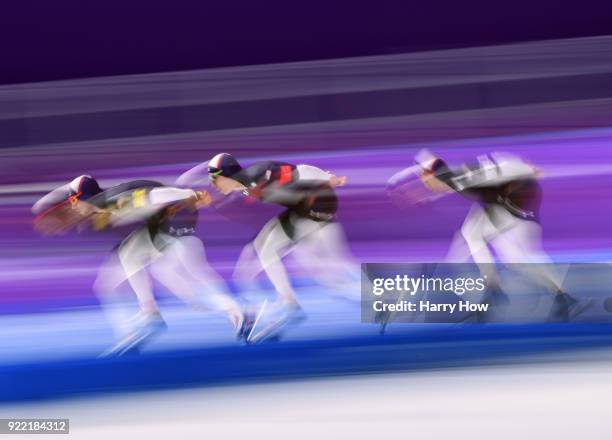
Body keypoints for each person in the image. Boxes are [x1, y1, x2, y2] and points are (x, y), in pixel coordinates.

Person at [33, 175, 246, 355]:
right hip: (163, 220)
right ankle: (150, 313)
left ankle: (233, 309)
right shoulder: (98, 207)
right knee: (123, 264)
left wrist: (190, 195)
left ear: (82, 198)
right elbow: (58, 198)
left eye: (74, 201)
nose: (73, 207)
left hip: (176, 214)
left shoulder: (110, 202)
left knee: (175, 279)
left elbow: (154, 196)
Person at [406, 150, 590, 322]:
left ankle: (559, 297)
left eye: (425, 180)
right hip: (506, 195)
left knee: (513, 257)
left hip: (516, 195)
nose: (426, 185)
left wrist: (525, 169)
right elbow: (487, 166)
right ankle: (496, 290)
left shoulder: (460, 179)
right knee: (473, 233)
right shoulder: (455, 178)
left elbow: (491, 169)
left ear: (431, 174)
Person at [204, 153, 356, 341]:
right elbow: (246, 199)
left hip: (318, 203)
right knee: (264, 248)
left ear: (226, 174)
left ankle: (289, 304)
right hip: (301, 208)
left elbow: (301, 170)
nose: (213, 184)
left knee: (328, 270)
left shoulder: (259, 174)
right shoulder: (243, 187)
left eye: (214, 178)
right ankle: (288, 302)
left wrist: (328, 178)